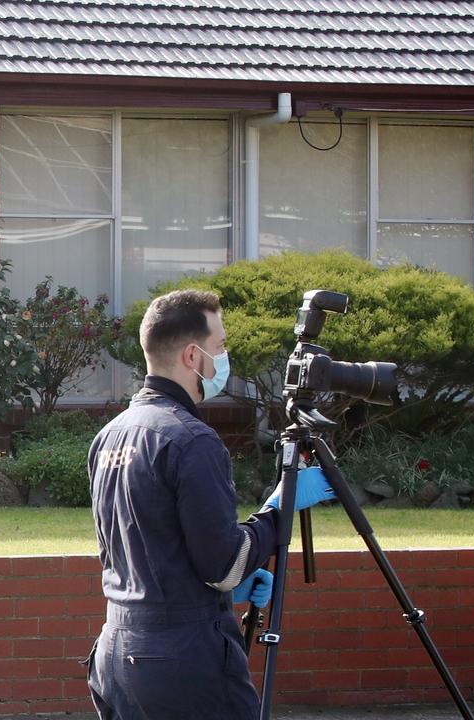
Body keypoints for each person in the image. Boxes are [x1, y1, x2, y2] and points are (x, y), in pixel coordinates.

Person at [86, 289, 335, 720]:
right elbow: (223, 566)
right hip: (182, 661)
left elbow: (135, 551)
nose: (224, 358)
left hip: (117, 652)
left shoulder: (110, 435)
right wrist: (277, 512)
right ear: (191, 356)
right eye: (219, 347)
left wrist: (233, 588)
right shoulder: (192, 439)